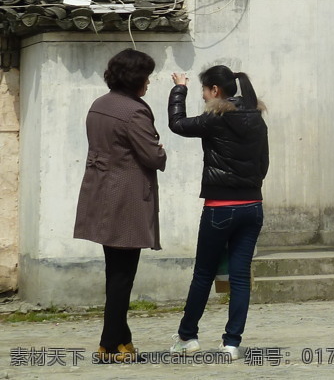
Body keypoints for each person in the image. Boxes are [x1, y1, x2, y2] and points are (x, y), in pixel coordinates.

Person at [168, 65, 269, 358]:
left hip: (219, 208)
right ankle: (231, 343)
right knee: (239, 277)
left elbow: (177, 124)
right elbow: (264, 163)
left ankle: (188, 336)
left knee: (203, 274)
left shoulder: (215, 119)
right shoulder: (257, 120)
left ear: (215, 90)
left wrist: (179, 88)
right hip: (252, 206)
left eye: (203, 90)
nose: (203, 96)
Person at [74, 48, 166, 363]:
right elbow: (153, 156)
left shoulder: (100, 105)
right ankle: (109, 345)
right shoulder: (134, 111)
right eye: (147, 77)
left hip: (101, 193)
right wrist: (161, 151)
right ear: (136, 79)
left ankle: (121, 341)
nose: (149, 83)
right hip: (126, 198)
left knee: (115, 273)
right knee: (123, 275)